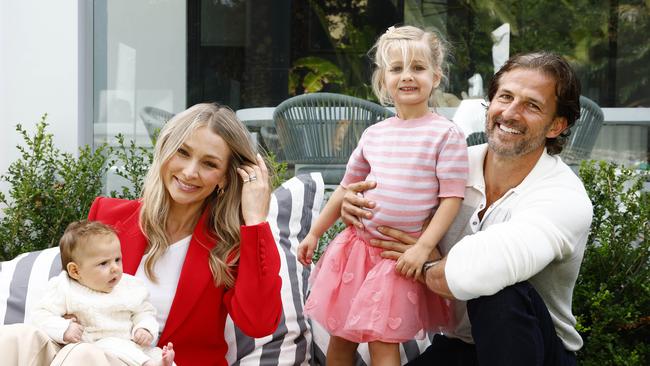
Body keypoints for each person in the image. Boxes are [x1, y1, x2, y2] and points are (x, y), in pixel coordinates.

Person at [340, 52, 593, 366]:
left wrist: (427, 267)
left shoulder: (563, 197)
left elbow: (485, 270)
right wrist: (358, 205)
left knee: (500, 292)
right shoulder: (450, 166)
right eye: (505, 97)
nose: (510, 113)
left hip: (537, 352)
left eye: (531, 105)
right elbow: (392, 208)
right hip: (463, 345)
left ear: (556, 125)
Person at [0, 103, 282, 366]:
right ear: (166, 151)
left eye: (209, 164)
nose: (190, 171)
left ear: (224, 177)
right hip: (91, 353)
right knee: (16, 339)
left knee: (83, 355)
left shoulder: (229, 246)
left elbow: (259, 323)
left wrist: (255, 220)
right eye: (182, 153)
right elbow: (71, 291)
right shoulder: (109, 217)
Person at [297, 25, 469, 366]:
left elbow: (452, 198)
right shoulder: (374, 134)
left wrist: (422, 247)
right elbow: (347, 187)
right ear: (383, 79)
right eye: (397, 69)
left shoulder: (444, 134)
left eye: (418, 68)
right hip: (356, 251)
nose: (407, 76)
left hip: (396, 258)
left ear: (436, 77)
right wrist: (316, 231)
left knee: (382, 340)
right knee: (341, 336)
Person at [31, 220, 174, 366]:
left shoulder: (129, 286)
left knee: (157, 354)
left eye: (117, 260)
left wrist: (144, 328)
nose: (115, 268)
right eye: (103, 263)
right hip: (96, 351)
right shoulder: (64, 287)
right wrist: (64, 328)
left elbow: (144, 312)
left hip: (133, 347)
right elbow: (40, 314)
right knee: (112, 344)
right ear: (75, 271)